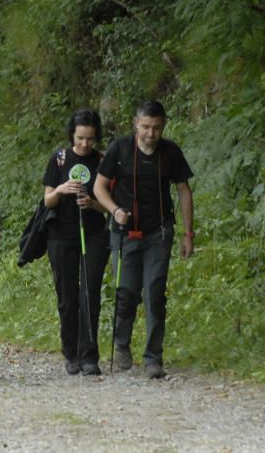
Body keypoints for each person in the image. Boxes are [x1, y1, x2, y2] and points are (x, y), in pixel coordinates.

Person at [93, 100, 195, 379]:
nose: (151, 134)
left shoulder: (170, 152)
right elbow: (99, 186)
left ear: (164, 126)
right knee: (126, 292)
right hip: (125, 233)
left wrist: (188, 233)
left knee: (154, 292)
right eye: (146, 127)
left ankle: (153, 358)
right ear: (135, 123)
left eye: (157, 128)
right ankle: (122, 343)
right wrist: (114, 210)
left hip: (159, 233)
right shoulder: (120, 149)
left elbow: (184, 191)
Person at [43, 109, 110, 376]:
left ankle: (89, 355)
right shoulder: (59, 159)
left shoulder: (103, 161)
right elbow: (47, 200)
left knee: (90, 292)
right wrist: (61, 189)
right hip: (60, 235)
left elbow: (110, 205)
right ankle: (70, 352)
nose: (85, 144)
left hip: (93, 233)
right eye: (80, 138)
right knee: (67, 296)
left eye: (90, 139)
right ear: (72, 134)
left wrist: (92, 203)